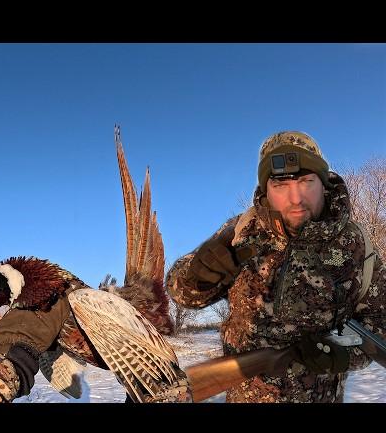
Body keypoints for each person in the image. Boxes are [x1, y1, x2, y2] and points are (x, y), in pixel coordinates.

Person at [165, 131, 385, 402]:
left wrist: (343, 356)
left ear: (324, 183)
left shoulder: (357, 244)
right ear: (266, 190)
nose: (296, 198)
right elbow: (180, 294)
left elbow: (378, 325)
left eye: (306, 181)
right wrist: (197, 277)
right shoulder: (240, 232)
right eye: (281, 185)